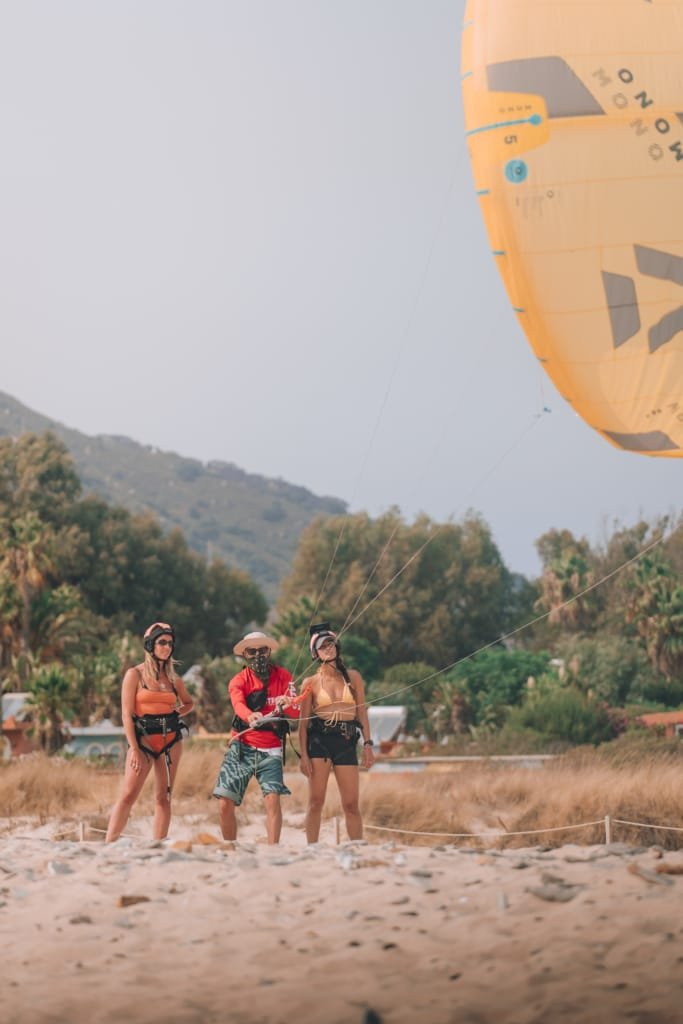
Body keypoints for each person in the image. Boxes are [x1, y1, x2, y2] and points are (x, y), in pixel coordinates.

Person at [106, 622, 194, 842]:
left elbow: (189, 703)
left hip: (170, 742)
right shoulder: (134, 674)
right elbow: (126, 714)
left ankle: (159, 844)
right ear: (150, 645)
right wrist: (134, 749)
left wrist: (176, 712)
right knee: (128, 794)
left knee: (163, 797)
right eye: (161, 642)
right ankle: (109, 843)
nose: (166, 647)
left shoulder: (174, 679)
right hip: (143, 743)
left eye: (170, 643)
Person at [212, 631, 299, 844]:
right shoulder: (238, 680)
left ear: (269, 651)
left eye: (263, 650)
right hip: (242, 746)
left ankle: (273, 849)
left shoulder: (284, 676)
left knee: (273, 800)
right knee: (224, 802)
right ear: (244, 654)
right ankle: (230, 846)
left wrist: (288, 704)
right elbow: (238, 704)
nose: (258, 655)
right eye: (252, 651)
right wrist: (249, 715)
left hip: (271, 749)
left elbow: (296, 712)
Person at [298, 625, 375, 843]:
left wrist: (368, 744)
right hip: (319, 742)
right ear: (315, 653)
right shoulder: (309, 683)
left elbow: (362, 712)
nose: (328, 649)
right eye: (322, 646)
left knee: (351, 804)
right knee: (315, 801)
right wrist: (303, 755)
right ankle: (311, 848)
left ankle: (357, 847)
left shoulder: (353, 677)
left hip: (346, 741)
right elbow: (303, 725)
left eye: (330, 643)